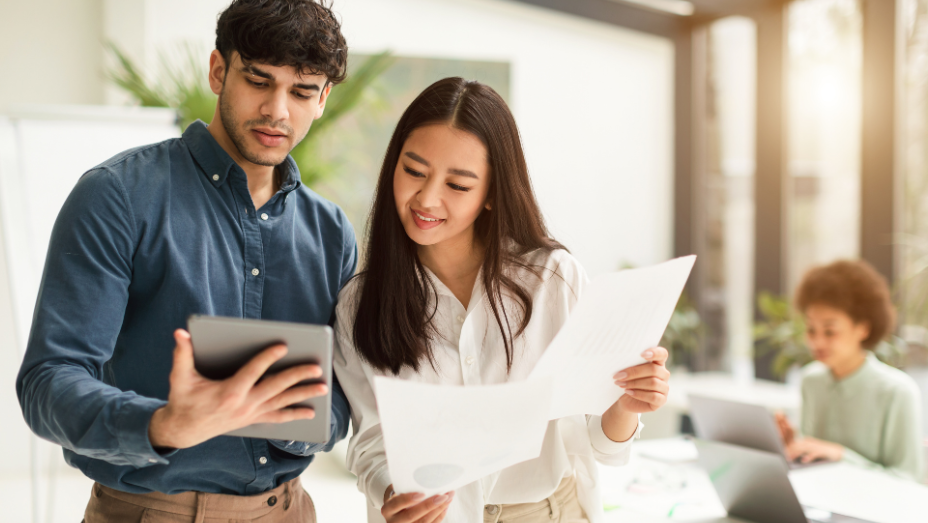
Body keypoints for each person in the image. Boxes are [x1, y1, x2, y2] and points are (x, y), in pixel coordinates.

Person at [15, 1, 357, 521]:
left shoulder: (331, 232)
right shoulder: (117, 197)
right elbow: (49, 381)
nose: (277, 110)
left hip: (290, 510)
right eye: (259, 81)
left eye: (301, 91)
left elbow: (343, 398)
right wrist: (164, 425)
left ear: (323, 98)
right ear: (219, 71)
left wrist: (293, 418)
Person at [333, 77, 672, 523]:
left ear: (491, 194)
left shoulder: (553, 279)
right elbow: (372, 438)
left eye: (458, 185)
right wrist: (393, 489)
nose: (427, 198)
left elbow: (599, 443)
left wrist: (628, 403)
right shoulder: (362, 301)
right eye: (414, 171)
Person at [775, 260, 924, 482]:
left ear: (863, 328)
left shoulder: (897, 392)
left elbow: (907, 479)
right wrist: (790, 447)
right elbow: (813, 463)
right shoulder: (811, 380)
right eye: (811, 329)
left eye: (830, 331)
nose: (817, 342)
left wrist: (841, 456)